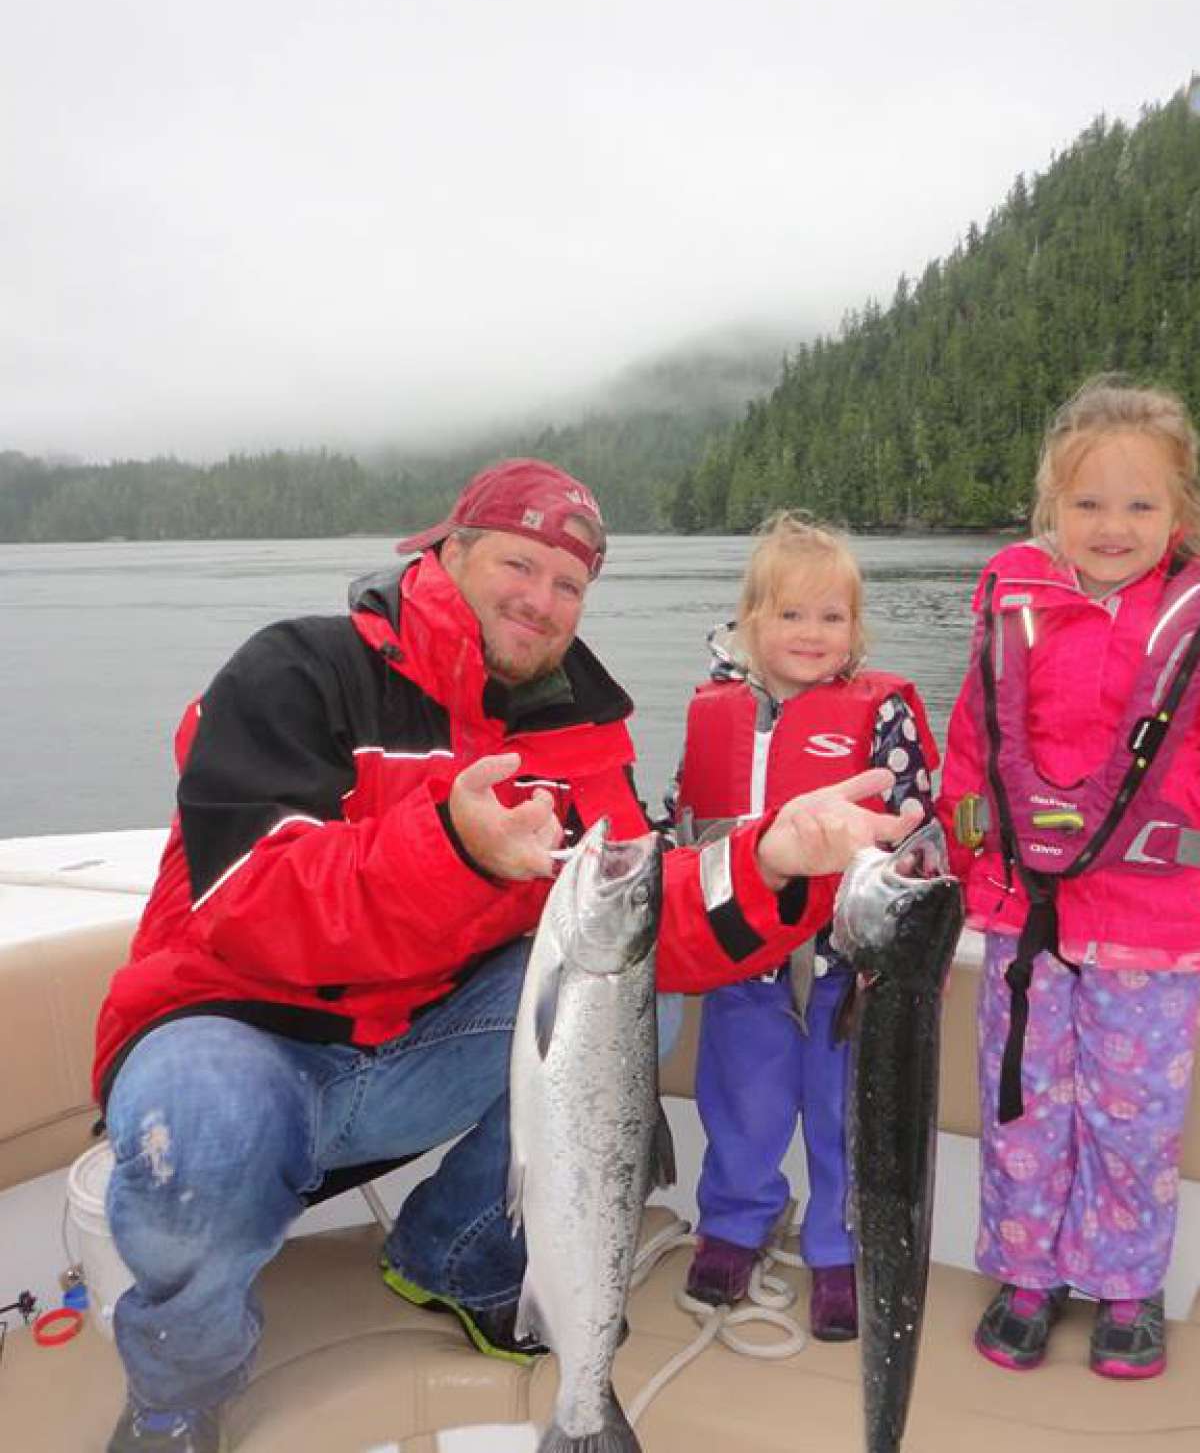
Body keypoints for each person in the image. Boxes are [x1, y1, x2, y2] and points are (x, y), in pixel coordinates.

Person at [93, 460, 922, 1453]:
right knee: (206, 1123)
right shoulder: (295, 672)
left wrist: (775, 859)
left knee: (627, 1001)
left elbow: (640, 911)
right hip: (240, 1043)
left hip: (417, 1056)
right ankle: (179, 1394)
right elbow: (250, 908)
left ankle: (457, 1256)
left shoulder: (575, 732)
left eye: (569, 584)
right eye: (519, 565)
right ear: (449, 552)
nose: (542, 599)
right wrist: (454, 847)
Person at [937, 376, 1200, 1382]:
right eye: (1087, 503)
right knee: (1021, 1107)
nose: (1112, 526)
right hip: (1025, 921)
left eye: (1140, 505)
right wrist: (965, 871)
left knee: (1132, 1119)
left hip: (1155, 926)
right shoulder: (1015, 613)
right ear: (1050, 511)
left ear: (1180, 515)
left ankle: (1126, 1286)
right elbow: (972, 762)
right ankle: (1025, 1273)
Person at [668, 512, 937, 1342]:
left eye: (833, 616)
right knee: (740, 1106)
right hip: (740, 962)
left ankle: (839, 1245)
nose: (813, 633)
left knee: (839, 1113)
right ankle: (735, 1225)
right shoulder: (711, 711)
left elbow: (919, 828)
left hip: (843, 968)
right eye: (791, 615)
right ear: (751, 622)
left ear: (856, 628)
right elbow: (682, 825)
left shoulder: (883, 714)